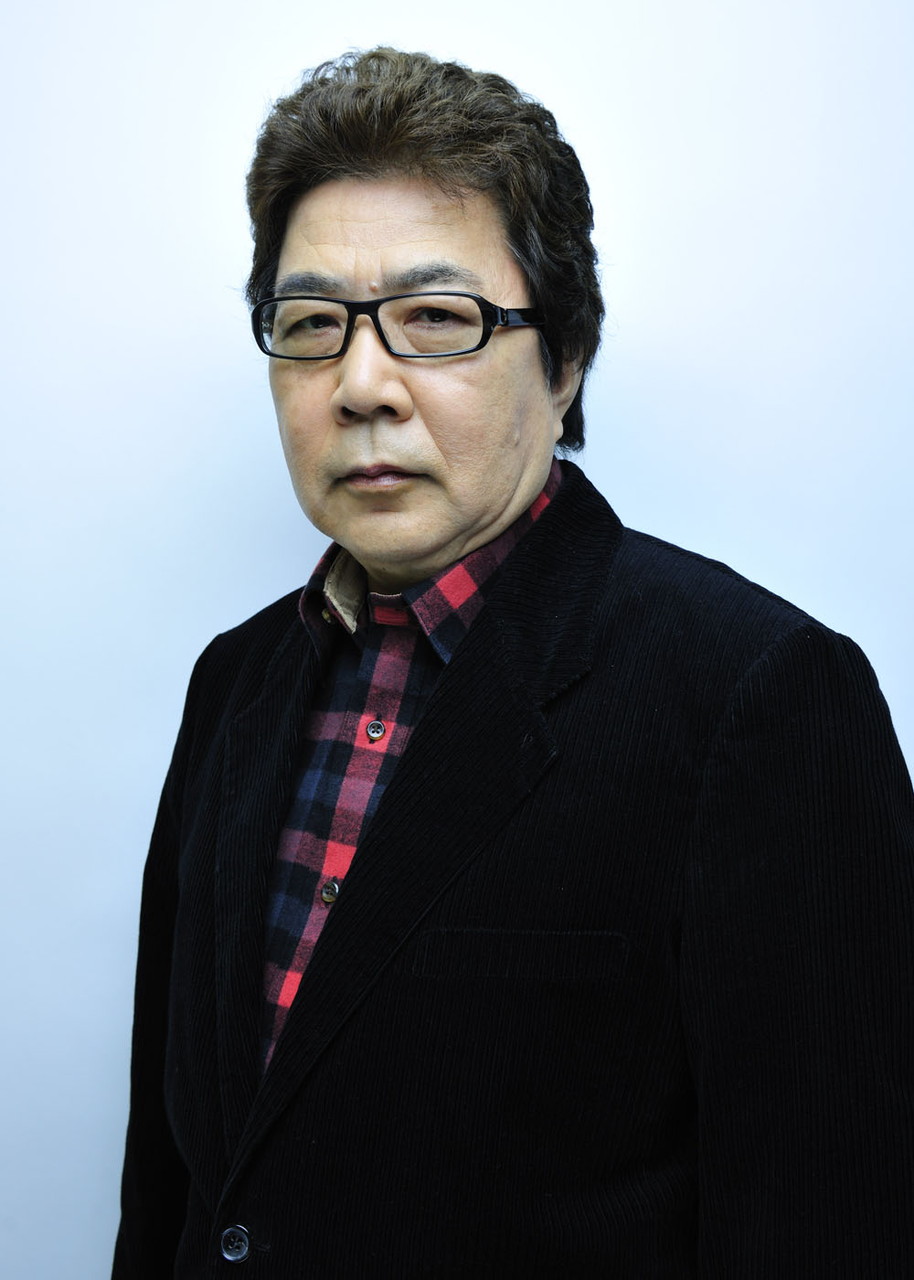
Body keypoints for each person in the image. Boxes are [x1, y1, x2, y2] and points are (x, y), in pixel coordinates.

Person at [113, 48, 914, 1278]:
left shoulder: (759, 697)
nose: (360, 385)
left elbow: (835, 1223)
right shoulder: (234, 680)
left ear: (565, 355)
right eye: (312, 324)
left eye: (436, 319)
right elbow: (175, 1186)